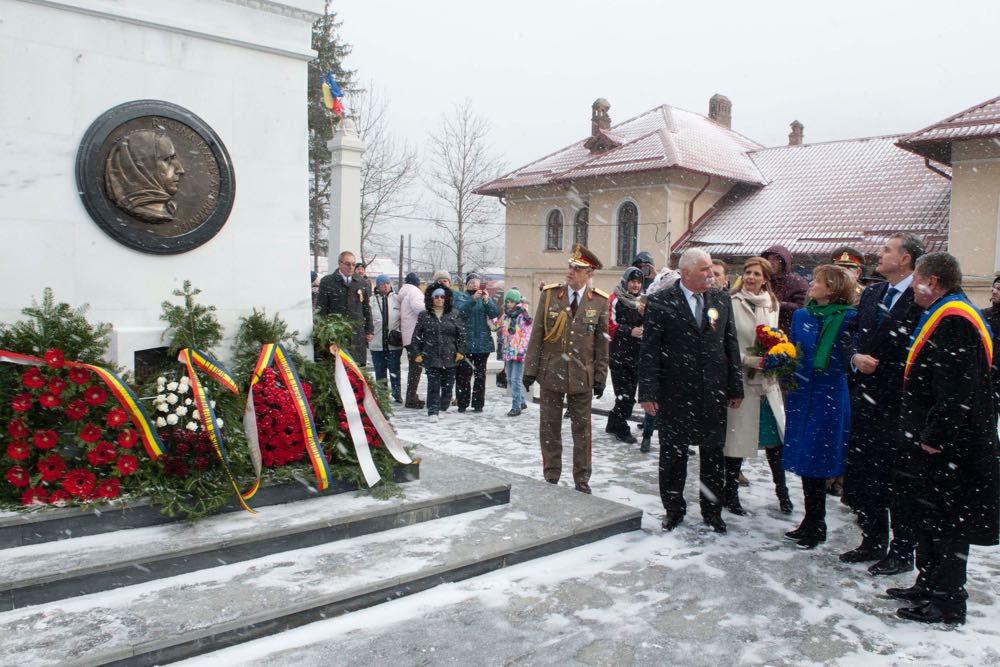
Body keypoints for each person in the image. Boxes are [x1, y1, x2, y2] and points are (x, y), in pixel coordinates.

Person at [890, 251, 998, 625]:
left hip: (950, 447)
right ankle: (928, 584)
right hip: (938, 442)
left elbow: (955, 390)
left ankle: (948, 601)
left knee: (949, 525)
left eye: (917, 280)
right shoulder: (947, 312)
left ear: (931, 282)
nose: (913, 289)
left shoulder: (956, 320)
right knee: (929, 518)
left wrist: (934, 435)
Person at [638, 248, 743, 533]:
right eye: (704, 269)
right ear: (685, 273)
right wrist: (648, 393)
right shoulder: (660, 302)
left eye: (711, 268)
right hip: (675, 392)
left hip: (713, 391)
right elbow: (650, 352)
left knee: (712, 455)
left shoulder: (721, 300)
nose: (711, 273)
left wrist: (735, 386)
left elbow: (729, 344)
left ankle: (712, 511)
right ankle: (674, 509)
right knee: (673, 455)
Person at [840, 233, 924, 574]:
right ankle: (872, 539)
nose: (880, 254)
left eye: (887, 250)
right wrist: (854, 356)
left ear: (905, 259)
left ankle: (902, 551)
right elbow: (849, 333)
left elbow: (920, 350)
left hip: (899, 404)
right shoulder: (873, 292)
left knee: (898, 479)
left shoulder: (920, 297)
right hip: (865, 400)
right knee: (867, 474)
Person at [781, 265, 858, 549]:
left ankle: (818, 524)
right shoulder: (802, 315)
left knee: (818, 457)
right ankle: (809, 520)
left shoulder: (849, 318)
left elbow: (851, 356)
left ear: (834, 288)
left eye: (818, 281)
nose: (811, 285)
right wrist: (781, 360)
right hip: (802, 393)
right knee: (805, 457)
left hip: (829, 395)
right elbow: (793, 349)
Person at [523, 244, 610, 494]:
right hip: (551, 373)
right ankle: (551, 474)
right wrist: (530, 370)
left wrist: (601, 377)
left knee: (582, 432)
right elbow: (537, 335)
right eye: (570, 266)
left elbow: (601, 345)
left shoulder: (600, 302)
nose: (570, 271)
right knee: (549, 427)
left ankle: (582, 479)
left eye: (577, 268)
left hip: (582, 376)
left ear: (589, 273)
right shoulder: (550, 295)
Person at [723, 257, 790, 515]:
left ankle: (782, 492)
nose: (750, 277)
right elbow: (727, 346)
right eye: (747, 272)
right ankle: (730, 494)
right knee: (737, 442)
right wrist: (748, 359)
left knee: (775, 443)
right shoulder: (731, 302)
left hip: (767, 384)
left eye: (756, 274)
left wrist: (780, 354)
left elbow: (775, 336)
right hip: (742, 381)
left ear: (766, 279)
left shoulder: (772, 304)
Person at [411, 282, 466, 422]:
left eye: (442, 296)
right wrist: (417, 353)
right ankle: (433, 410)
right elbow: (416, 336)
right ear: (431, 298)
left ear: (446, 298)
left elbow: (461, 336)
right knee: (433, 385)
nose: (439, 299)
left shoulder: (454, 314)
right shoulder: (424, 315)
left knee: (448, 387)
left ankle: (443, 407)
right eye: (436, 297)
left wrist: (460, 351)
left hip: (450, 356)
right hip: (431, 356)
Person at [104, 129, 185, 223]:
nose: (180, 170)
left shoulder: (170, 207)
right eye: (168, 159)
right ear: (142, 166)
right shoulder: (139, 210)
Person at [606, 267, 647, 448]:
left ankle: (613, 423)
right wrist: (630, 331)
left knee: (629, 395)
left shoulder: (642, 301)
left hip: (636, 356)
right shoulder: (615, 299)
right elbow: (609, 326)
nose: (635, 285)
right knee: (625, 396)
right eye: (632, 281)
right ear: (625, 281)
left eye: (638, 282)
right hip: (619, 355)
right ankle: (621, 428)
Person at [316, 251, 373, 364]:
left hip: (357, 333)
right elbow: (321, 309)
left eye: (353, 264)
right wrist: (322, 330)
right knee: (338, 367)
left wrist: (369, 330)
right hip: (336, 333)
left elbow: (366, 307)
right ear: (340, 263)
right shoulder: (327, 282)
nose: (351, 267)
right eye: (347, 264)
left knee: (357, 371)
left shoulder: (361, 282)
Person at [454, 272, 499, 413]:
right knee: (463, 376)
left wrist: (487, 301)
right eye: (471, 282)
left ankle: (478, 404)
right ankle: (462, 403)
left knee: (480, 376)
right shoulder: (462, 297)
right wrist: (472, 299)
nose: (474, 284)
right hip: (465, 344)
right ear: (467, 284)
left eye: (476, 282)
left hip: (482, 344)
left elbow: (494, 313)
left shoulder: (485, 298)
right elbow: (460, 313)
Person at [496, 288, 533, 416]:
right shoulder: (506, 314)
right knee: (510, 380)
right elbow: (498, 326)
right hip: (508, 350)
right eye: (508, 301)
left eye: (512, 302)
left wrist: (522, 349)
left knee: (515, 379)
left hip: (518, 351)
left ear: (516, 302)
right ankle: (521, 401)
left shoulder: (523, 315)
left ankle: (516, 406)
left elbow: (527, 334)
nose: (509, 304)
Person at [370, 274, 402, 403]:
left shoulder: (397, 299)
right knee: (380, 371)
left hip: (393, 343)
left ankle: (397, 393)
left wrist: (399, 332)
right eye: (382, 283)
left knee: (395, 369)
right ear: (377, 285)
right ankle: (382, 396)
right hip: (377, 343)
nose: (385, 285)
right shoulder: (371, 300)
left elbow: (403, 318)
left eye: (387, 283)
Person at [761, 245, 808, 333]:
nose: (771, 262)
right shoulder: (762, 280)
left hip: (786, 332)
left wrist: (778, 305)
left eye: (775, 259)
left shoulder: (797, 282)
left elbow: (802, 308)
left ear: (783, 262)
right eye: (768, 259)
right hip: (764, 330)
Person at [398, 272, 426, 409]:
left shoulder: (405, 293)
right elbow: (419, 308)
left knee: (414, 368)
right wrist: (432, 308)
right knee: (416, 369)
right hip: (415, 336)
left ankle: (411, 396)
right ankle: (411, 398)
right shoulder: (414, 292)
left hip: (408, 336)